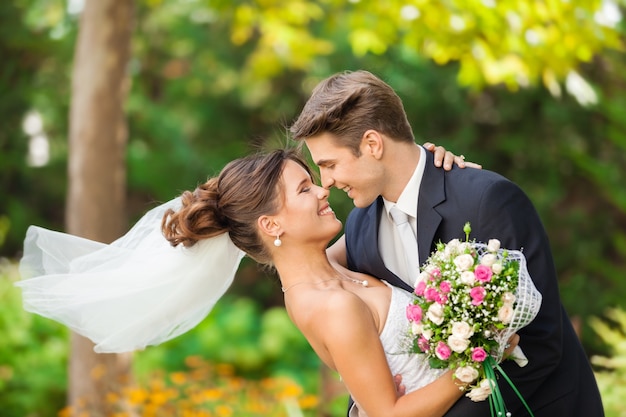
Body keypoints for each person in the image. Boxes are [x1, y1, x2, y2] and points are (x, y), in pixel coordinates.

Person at [17, 147, 509, 417]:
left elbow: (390, 205)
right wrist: (477, 360)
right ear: (273, 227)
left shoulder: (331, 263)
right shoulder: (329, 306)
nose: (323, 189)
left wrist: (427, 165)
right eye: (304, 188)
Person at [288, 70, 604, 417]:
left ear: (372, 144)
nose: (327, 182)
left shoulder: (486, 200)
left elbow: (541, 345)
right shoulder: (360, 228)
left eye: (330, 164)